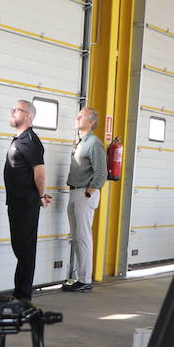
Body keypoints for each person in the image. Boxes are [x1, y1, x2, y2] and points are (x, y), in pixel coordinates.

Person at [3, 100, 51, 301]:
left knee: (25, 249)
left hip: (26, 204)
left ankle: (22, 296)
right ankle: (20, 293)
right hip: (17, 202)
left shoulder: (30, 141)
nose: (12, 112)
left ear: (28, 116)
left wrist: (40, 196)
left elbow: (39, 174)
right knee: (20, 247)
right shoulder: (20, 139)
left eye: (16, 110)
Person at [63, 107, 107, 293]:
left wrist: (90, 191)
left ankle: (85, 279)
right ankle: (80, 278)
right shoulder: (80, 142)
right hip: (75, 191)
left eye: (81, 116)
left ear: (91, 121)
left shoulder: (94, 143)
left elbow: (101, 172)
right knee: (76, 236)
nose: (77, 117)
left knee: (82, 236)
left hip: (84, 193)